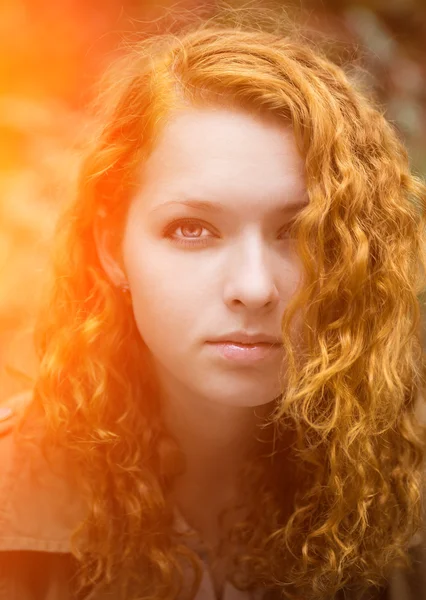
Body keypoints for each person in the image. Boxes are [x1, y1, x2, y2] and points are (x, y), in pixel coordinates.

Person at [1, 7, 426, 600]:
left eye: (301, 232)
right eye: (192, 229)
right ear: (111, 246)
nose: (253, 287)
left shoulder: (401, 494)